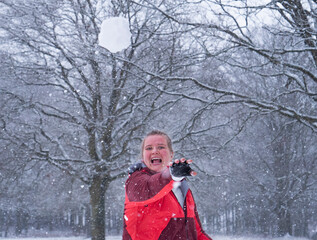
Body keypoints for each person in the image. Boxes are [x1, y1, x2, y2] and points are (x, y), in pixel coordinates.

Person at [122, 130, 212, 240]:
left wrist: (174, 177)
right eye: (149, 148)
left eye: (161, 147)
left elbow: (197, 233)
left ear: (171, 154)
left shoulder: (182, 188)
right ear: (143, 155)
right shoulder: (135, 180)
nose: (155, 151)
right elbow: (148, 189)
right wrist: (170, 175)